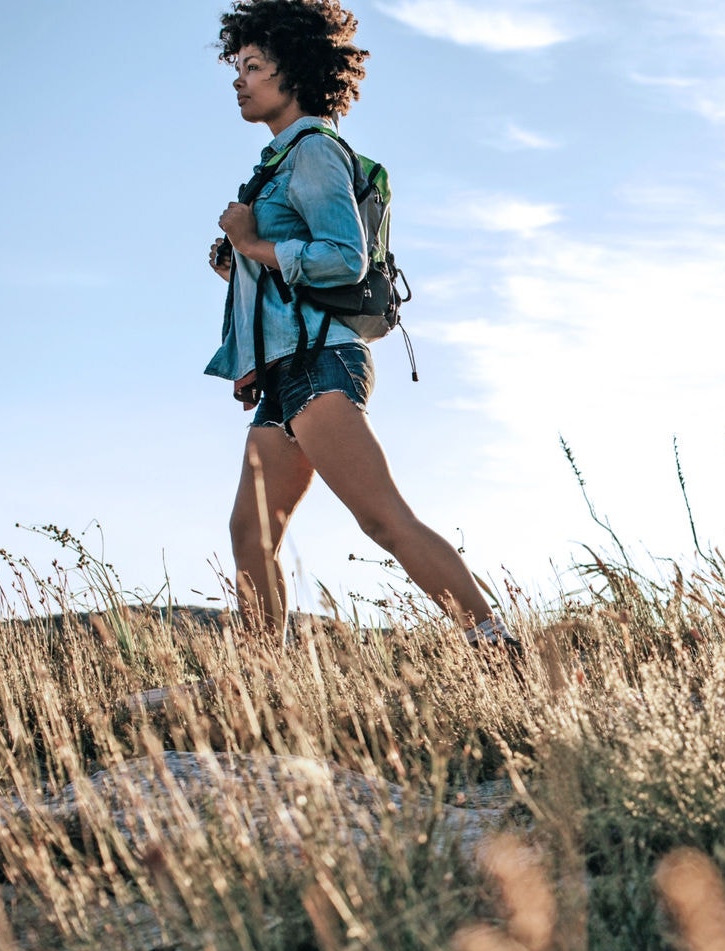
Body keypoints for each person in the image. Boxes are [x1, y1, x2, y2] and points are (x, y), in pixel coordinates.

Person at [207, 0, 514, 650]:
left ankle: (496, 648)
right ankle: (260, 680)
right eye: (238, 66)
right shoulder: (276, 164)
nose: (239, 79)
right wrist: (241, 265)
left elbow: (345, 257)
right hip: (285, 372)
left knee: (381, 518)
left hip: (322, 362)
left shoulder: (314, 152)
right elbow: (293, 271)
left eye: (253, 66)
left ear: (293, 73)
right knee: (251, 533)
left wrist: (254, 244)